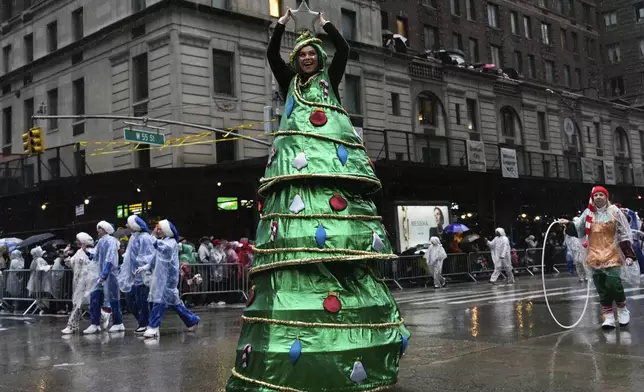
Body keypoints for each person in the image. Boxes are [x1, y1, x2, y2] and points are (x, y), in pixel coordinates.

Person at [227, 8, 408, 391]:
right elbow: (271, 55)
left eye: (312, 53)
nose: (307, 58)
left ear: (319, 58)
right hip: (295, 180)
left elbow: (343, 50)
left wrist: (324, 24)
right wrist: (281, 26)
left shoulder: (331, 76)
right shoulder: (288, 82)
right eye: (302, 54)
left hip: (331, 174)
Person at [559, 186, 636, 329]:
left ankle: (622, 308)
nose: (598, 197)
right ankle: (609, 316)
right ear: (592, 198)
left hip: (612, 253)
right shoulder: (588, 213)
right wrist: (568, 224)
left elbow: (623, 233)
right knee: (601, 287)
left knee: (613, 284)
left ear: (606, 197)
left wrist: (628, 254)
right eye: (596, 195)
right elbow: (578, 229)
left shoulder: (614, 212)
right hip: (594, 255)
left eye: (601, 194)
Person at [136, 219, 200, 338]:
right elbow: (154, 257)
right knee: (174, 303)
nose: (158, 231)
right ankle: (192, 320)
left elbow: (161, 248)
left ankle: (153, 327)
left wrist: (152, 235)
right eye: (158, 229)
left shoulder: (171, 243)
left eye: (160, 229)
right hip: (161, 277)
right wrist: (146, 266)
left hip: (168, 279)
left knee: (159, 300)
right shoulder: (164, 241)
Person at [117, 215, 155, 334]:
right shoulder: (134, 237)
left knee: (142, 301)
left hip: (142, 276)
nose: (127, 226)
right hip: (132, 276)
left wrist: (144, 269)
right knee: (131, 301)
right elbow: (129, 255)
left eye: (129, 224)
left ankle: (145, 324)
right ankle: (143, 322)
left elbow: (148, 256)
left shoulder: (145, 238)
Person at [83, 221, 123, 334]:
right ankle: (94, 323)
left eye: (99, 228)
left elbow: (110, 258)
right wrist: (87, 251)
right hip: (101, 274)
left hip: (110, 274)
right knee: (95, 297)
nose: (98, 230)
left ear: (105, 229)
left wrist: (105, 274)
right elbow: (95, 255)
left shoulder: (111, 241)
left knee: (114, 299)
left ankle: (118, 322)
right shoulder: (100, 241)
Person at [62, 233, 98, 334]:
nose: (76, 242)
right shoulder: (78, 252)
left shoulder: (92, 252)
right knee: (82, 304)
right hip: (78, 283)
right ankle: (103, 317)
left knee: (81, 304)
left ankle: (72, 326)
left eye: (78, 240)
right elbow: (71, 263)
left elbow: (92, 269)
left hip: (87, 283)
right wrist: (66, 255)